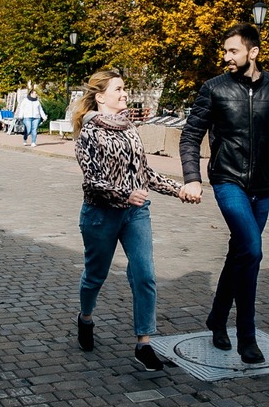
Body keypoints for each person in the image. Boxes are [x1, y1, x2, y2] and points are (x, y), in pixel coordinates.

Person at [179, 23, 269, 364]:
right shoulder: (214, 89)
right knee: (252, 250)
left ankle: (216, 318)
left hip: (262, 185)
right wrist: (192, 178)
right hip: (227, 180)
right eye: (225, 51)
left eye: (233, 51)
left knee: (240, 252)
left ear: (253, 52)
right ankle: (247, 336)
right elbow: (191, 135)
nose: (226, 57)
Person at [73, 69, 194, 372]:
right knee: (95, 275)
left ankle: (144, 343)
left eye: (124, 88)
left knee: (144, 274)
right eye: (118, 89)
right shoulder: (89, 132)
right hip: (101, 214)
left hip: (135, 213)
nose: (125, 93)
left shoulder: (129, 128)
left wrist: (177, 189)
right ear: (100, 97)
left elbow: (145, 173)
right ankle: (85, 318)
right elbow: (91, 181)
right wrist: (124, 193)